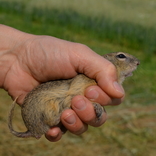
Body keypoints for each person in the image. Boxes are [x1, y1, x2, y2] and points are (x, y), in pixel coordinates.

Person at [0, 24, 124, 142]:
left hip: (44, 111)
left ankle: (49, 123)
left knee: (72, 113)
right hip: (42, 108)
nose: (137, 63)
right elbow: (75, 90)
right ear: (107, 58)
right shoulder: (88, 78)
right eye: (121, 57)